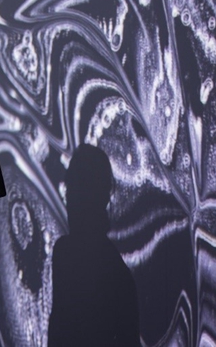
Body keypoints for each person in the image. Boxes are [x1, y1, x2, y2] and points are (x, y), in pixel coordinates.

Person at [48, 143, 140, 346]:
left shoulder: (66, 254)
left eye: (74, 189)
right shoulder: (117, 272)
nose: (68, 199)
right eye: (70, 188)